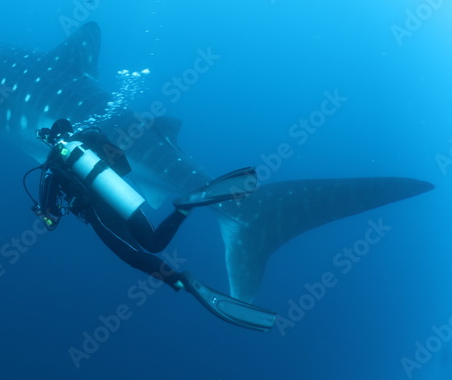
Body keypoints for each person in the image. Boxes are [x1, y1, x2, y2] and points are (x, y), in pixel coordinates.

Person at [24, 119, 277, 331]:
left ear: (51, 138)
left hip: (100, 214)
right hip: (124, 199)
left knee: (136, 257)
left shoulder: (53, 165)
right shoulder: (89, 137)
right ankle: (185, 207)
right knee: (154, 242)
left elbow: (51, 215)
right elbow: (122, 165)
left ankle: (181, 282)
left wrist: (46, 212)